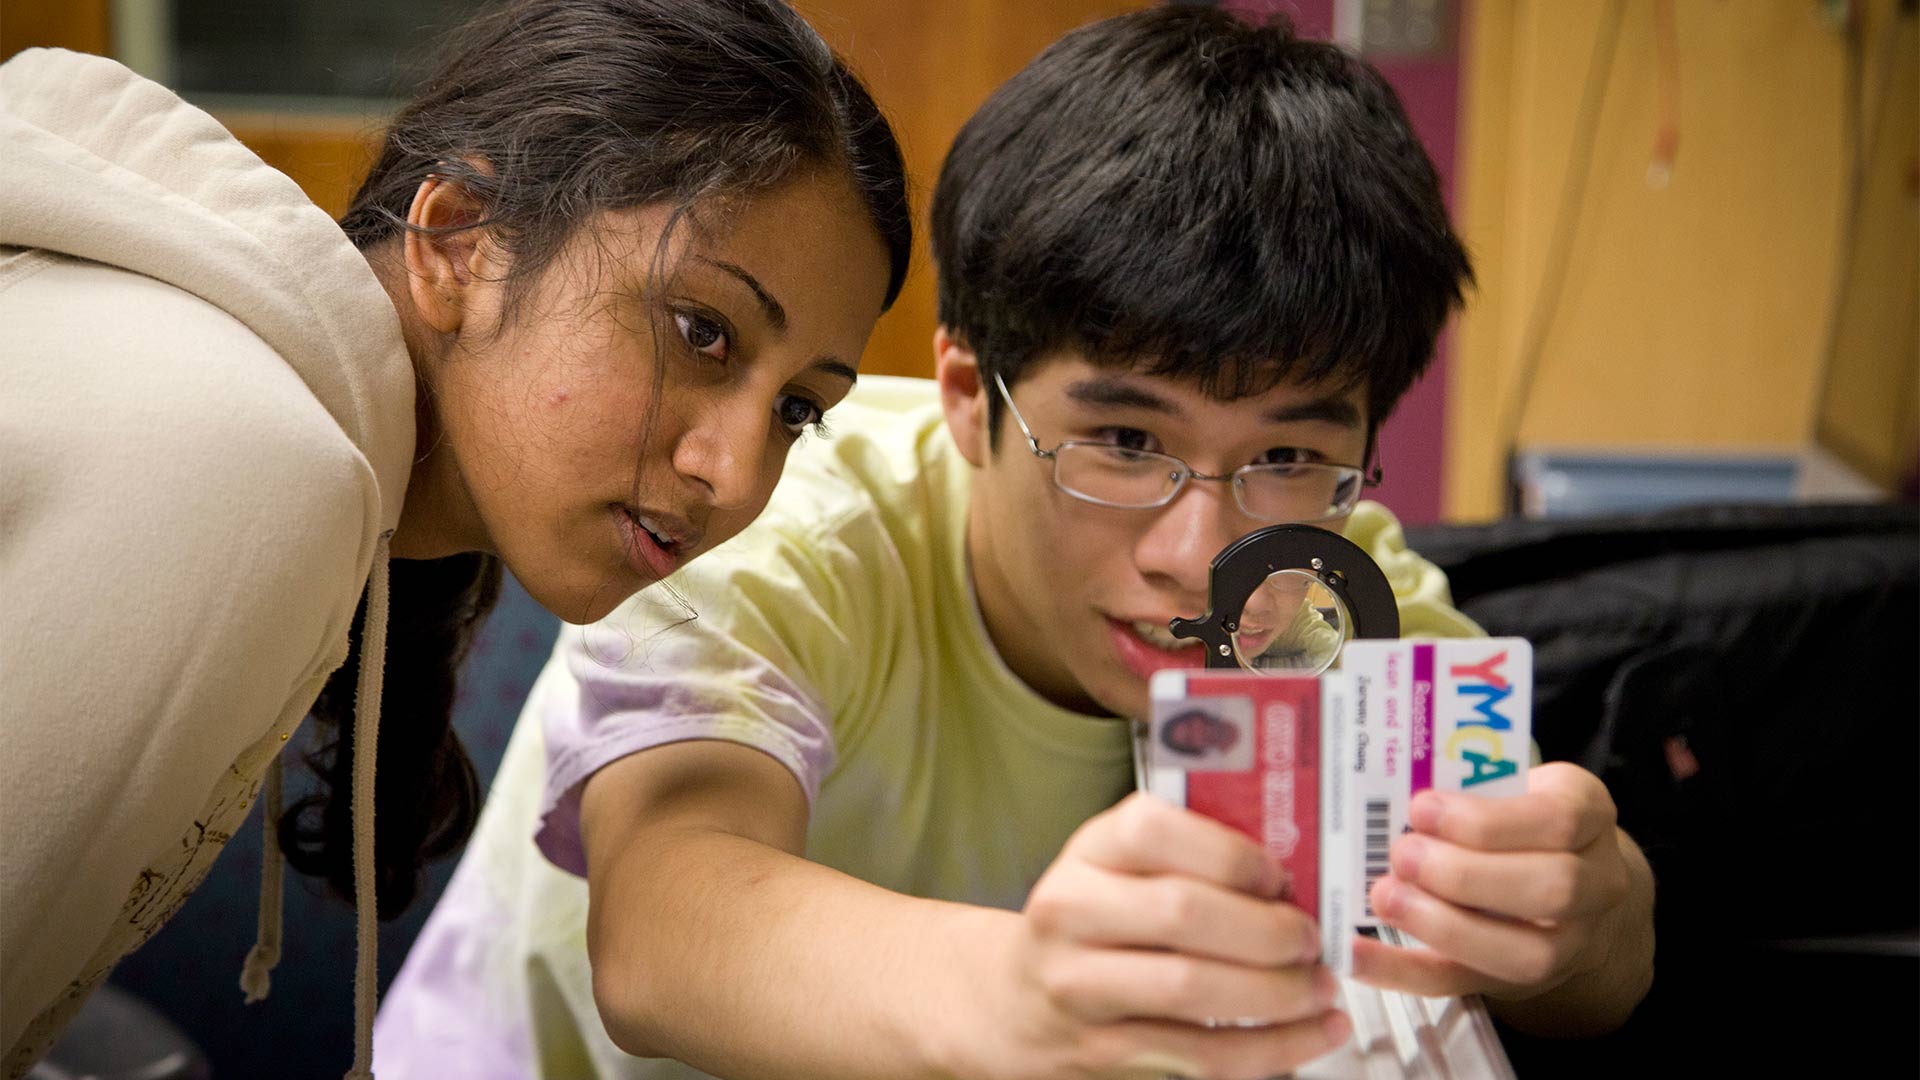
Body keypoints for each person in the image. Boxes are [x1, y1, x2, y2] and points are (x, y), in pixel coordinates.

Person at [373, 8, 1656, 1079]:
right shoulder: (780, 519)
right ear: (963, 397)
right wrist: (1029, 991)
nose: (1201, 552)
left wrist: (1579, 922)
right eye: (1125, 444)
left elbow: (1593, 970)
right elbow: (662, 933)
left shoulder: (1322, 583)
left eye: (1285, 455)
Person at [0, 0, 911, 1075]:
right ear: (460, 242)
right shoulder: (250, 458)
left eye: (798, 409)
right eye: (701, 333)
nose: (737, 472)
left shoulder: (331, 467)